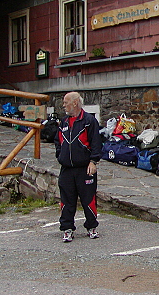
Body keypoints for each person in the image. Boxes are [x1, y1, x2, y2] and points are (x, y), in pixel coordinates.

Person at [55, 92, 103, 242]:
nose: (63, 106)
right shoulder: (63, 122)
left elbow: (96, 143)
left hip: (85, 168)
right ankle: (67, 229)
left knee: (88, 199)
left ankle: (91, 227)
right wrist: (60, 156)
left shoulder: (89, 121)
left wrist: (93, 162)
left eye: (65, 102)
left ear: (75, 103)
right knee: (66, 200)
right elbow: (58, 143)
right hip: (67, 169)